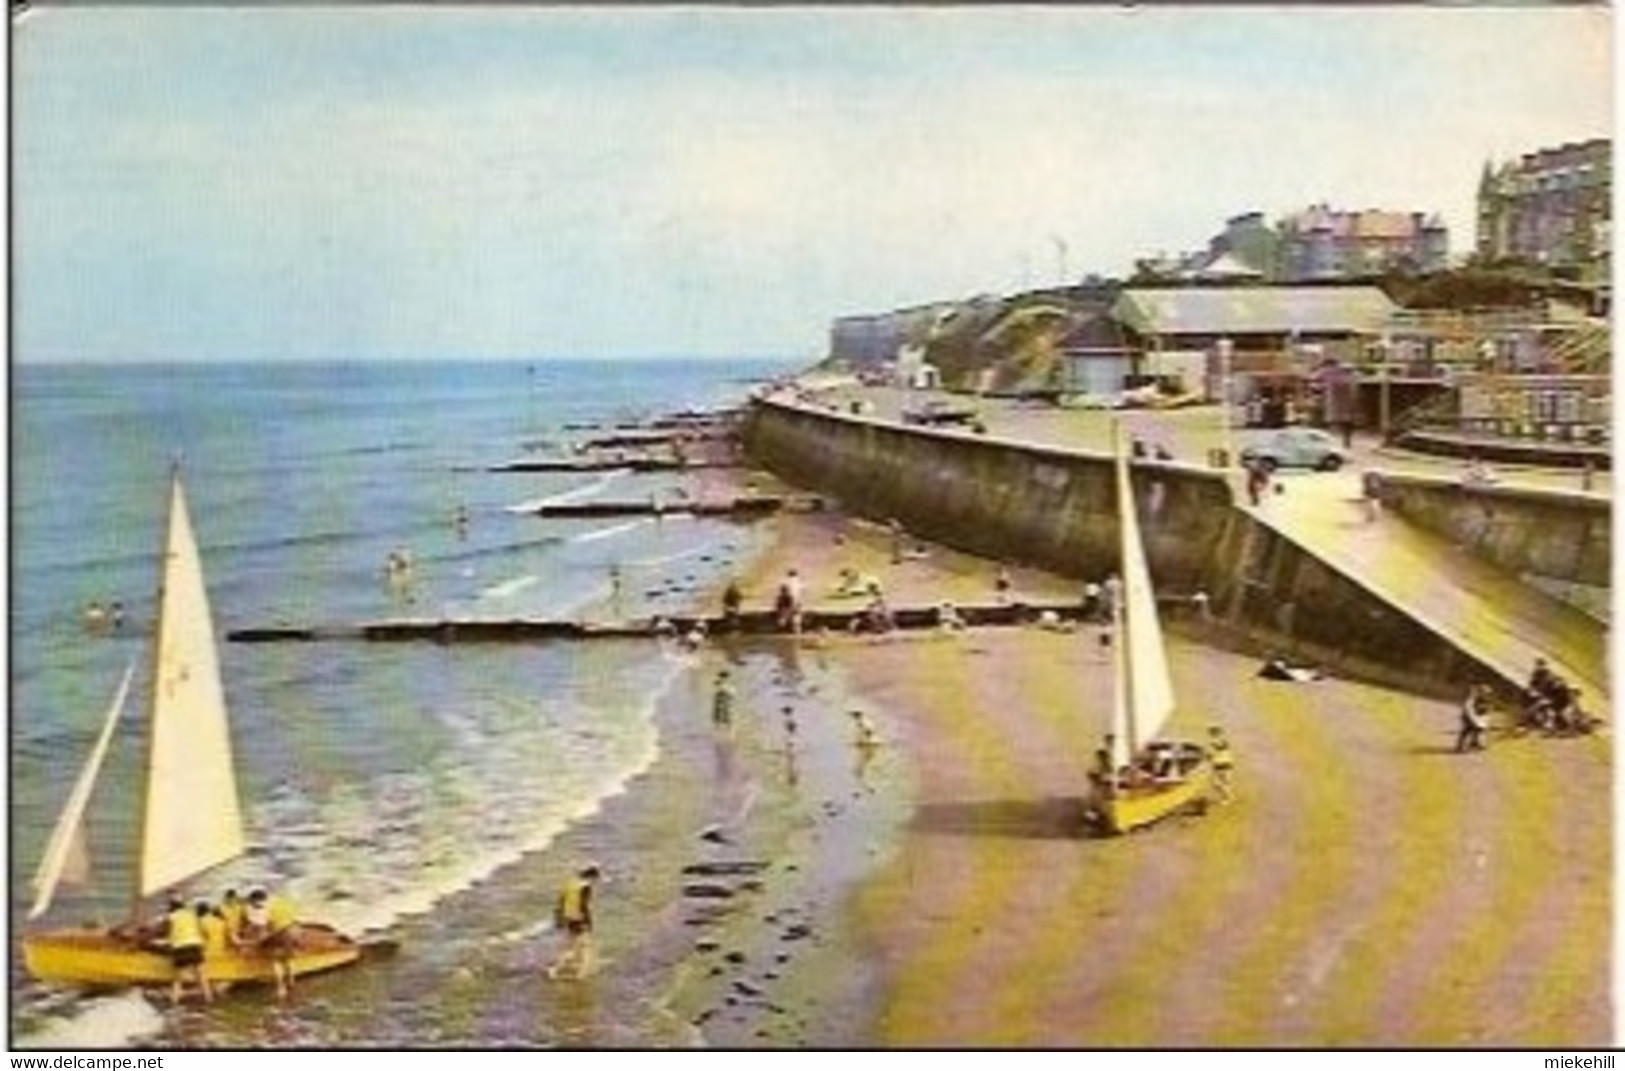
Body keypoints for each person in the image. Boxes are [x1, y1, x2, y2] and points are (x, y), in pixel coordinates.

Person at [548, 863, 602, 981]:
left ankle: (557, 969)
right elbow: (583, 906)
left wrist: (558, 918)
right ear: (591, 877)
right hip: (579, 918)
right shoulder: (586, 887)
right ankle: (580, 974)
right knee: (585, 946)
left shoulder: (570, 883)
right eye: (595, 879)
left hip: (568, 917)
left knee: (572, 945)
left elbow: (560, 901)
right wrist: (588, 922)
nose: (595, 882)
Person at [165, 895, 208, 1006]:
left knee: (178, 980)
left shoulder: (171, 916)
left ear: (171, 908)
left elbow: (167, 933)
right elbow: (199, 929)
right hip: (195, 945)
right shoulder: (192, 914)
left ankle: (173, 1002)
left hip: (180, 947)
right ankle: (209, 1000)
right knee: (202, 977)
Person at [196, 900, 230, 1001]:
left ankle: (209, 994)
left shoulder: (200, 921)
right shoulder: (220, 921)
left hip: (207, 953)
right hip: (221, 952)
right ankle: (220, 988)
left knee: (203, 975)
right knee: (217, 978)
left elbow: (200, 939)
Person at [1456, 684, 1491, 753]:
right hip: (1469, 717)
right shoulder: (1473, 698)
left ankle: (1475, 743)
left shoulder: (1485, 700)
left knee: (1479, 730)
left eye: (1487, 693)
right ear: (1480, 692)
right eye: (1485, 693)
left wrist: (1485, 718)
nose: (1486, 694)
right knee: (1467, 730)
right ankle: (1460, 746)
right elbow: (1468, 707)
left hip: (1477, 717)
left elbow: (1485, 710)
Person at [1208, 727, 1234, 803]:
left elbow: (1217, 750)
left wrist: (1210, 755)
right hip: (1220, 765)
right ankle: (1228, 797)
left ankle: (1227, 798)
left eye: (1215, 734)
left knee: (1222, 783)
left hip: (1224, 765)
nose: (1213, 736)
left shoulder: (1220, 743)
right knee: (1218, 783)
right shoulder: (1216, 743)